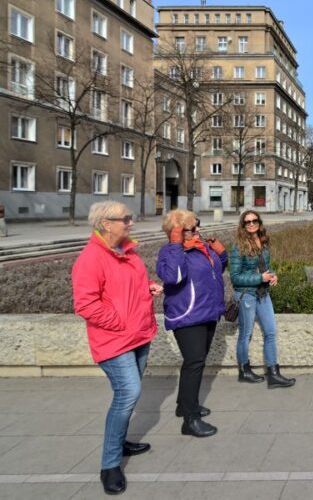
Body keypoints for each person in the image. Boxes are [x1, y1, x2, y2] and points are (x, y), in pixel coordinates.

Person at [72, 201, 162, 495]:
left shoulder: (128, 253)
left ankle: (120, 441)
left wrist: (147, 286)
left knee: (129, 395)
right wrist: (120, 320)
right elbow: (85, 304)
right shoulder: (90, 259)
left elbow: (127, 285)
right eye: (125, 219)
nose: (131, 223)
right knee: (128, 393)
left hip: (139, 335)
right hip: (114, 340)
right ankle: (110, 465)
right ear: (105, 223)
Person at [156, 210, 227, 438]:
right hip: (187, 316)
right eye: (191, 228)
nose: (198, 231)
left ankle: (184, 405)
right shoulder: (169, 253)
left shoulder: (200, 246)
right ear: (176, 232)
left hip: (207, 312)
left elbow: (215, 271)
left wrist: (221, 254)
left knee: (196, 361)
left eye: (197, 225)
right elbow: (174, 277)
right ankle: (190, 420)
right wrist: (176, 245)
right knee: (194, 363)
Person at [228, 210, 295, 387]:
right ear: (242, 225)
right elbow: (234, 277)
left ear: (259, 222)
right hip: (247, 296)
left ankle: (274, 374)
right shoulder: (238, 246)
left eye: (254, 220)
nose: (251, 224)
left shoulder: (263, 242)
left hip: (263, 294)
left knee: (271, 332)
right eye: (247, 222)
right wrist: (260, 278)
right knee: (245, 334)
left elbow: (266, 267)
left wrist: (273, 275)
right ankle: (244, 370)